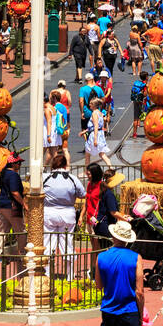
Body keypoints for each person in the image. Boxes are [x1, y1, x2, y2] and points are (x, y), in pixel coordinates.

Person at [42, 151, 85, 279]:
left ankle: (47, 274)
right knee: (67, 243)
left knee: (48, 243)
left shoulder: (46, 177)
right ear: (65, 165)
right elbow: (82, 194)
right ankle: (70, 276)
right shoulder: (73, 178)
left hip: (49, 212)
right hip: (67, 213)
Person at [96, 220, 144, 326]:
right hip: (129, 311)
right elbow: (140, 292)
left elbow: (98, 285)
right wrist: (140, 315)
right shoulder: (136, 257)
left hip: (108, 310)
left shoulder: (101, 257)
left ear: (113, 236)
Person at [0, 151, 26, 262]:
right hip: (12, 207)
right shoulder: (13, 175)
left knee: (2, 230)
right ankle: (23, 254)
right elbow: (14, 192)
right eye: (18, 163)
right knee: (20, 231)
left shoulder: (5, 173)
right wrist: (24, 204)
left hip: (2, 205)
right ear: (13, 164)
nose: (20, 165)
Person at [83, 94, 112, 169]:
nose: (89, 105)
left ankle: (86, 171)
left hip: (94, 135)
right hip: (100, 134)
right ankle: (111, 168)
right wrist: (84, 132)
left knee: (88, 153)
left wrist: (95, 139)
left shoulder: (94, 113)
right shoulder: (100, 113)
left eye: (91, 104)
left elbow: (95, 126)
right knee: (101, 153)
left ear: (94, 105)